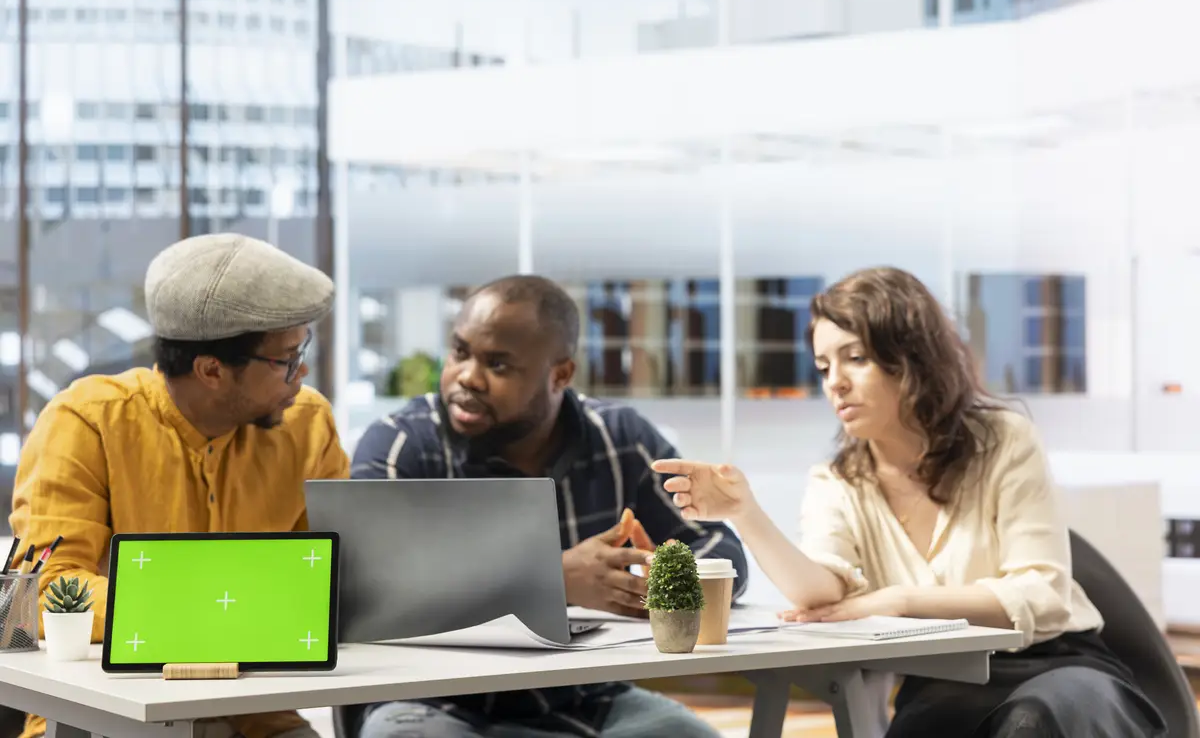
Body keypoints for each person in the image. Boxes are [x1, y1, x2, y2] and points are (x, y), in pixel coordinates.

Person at [653, 267, 1167, 738]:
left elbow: (1042, 594)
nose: (835, 382)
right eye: (824, 365)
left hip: (1059, 667)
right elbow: (820, 593)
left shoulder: (1005, 441)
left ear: (911, 357)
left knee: (1031, 723)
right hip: (945, 680)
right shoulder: (839, 481)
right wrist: (746, 512)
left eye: (856, 358)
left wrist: (898, 600)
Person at [351, 274, 748, 738]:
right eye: (460, 352)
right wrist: (553, 580)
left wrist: (653, 574)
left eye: (498, 365)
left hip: (584, 699)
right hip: (429, 702)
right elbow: (367, 592)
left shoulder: (620, 438)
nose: (467, 377)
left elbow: (721, 549)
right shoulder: (400, 444)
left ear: (560, 374)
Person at [10, 233, 349, 738]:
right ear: (211, 369)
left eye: (303, 349)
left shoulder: (309, 423)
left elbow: (334, 581)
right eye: (285, 359)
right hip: (107, 713)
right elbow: (45, 589)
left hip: (257, 711)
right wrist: (221, 611)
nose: (301, 372)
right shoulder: (88, 420)